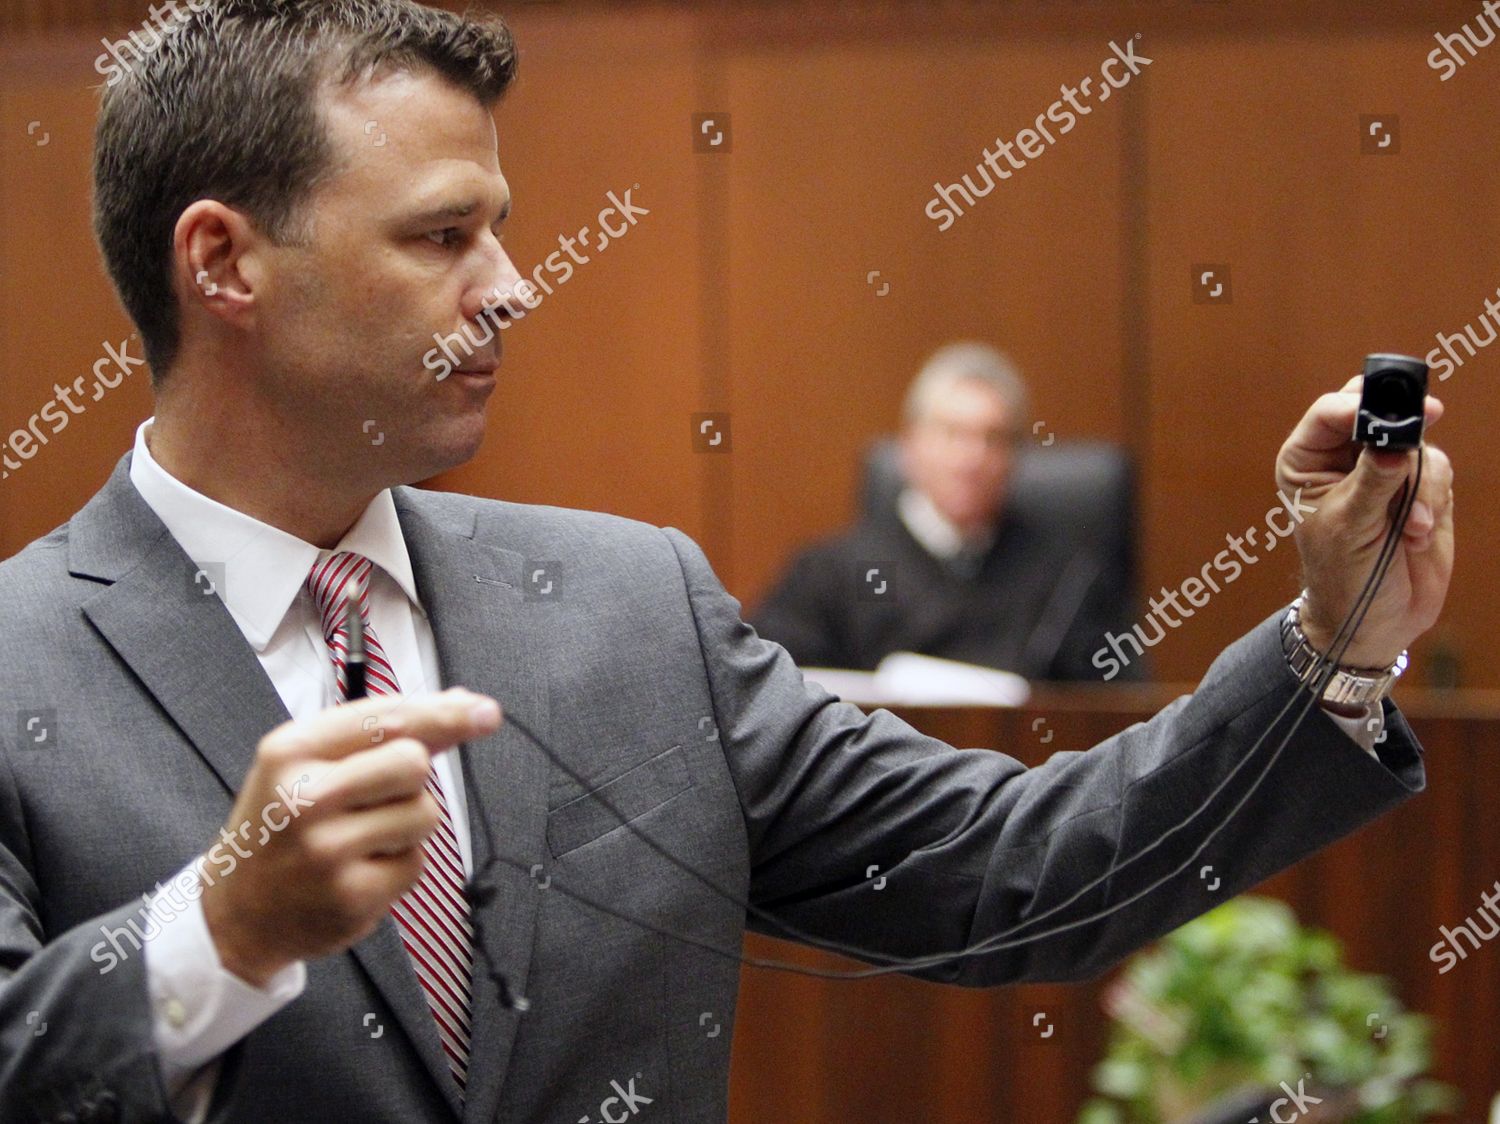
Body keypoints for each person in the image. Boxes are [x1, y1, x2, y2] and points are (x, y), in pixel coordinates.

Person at [0, 2, 1454, 1122]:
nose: (513, 287)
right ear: (223, 263)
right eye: (443, 236)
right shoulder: (21, 669)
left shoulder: (637, 610)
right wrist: (218, 935)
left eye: (501, 230)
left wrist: (1336, 645)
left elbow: (1024, 874)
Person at [752, 342, 1144, 679]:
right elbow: (766, 694)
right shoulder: (828, 574)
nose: (972, 458)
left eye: (993, 438)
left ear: (1015, 457)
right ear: (910, 446)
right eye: (952, 433)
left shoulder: (1069, 579)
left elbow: (1117, 711)